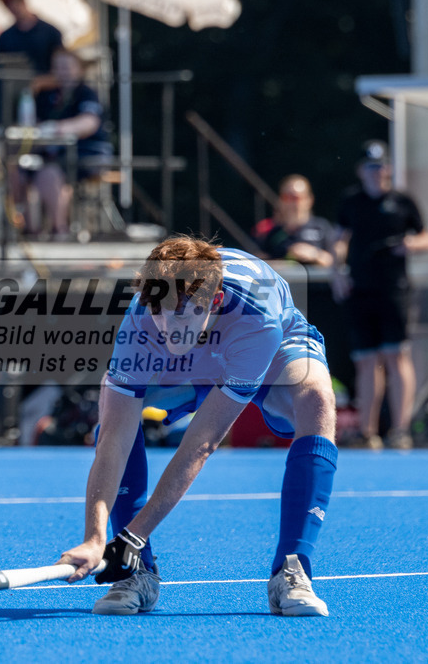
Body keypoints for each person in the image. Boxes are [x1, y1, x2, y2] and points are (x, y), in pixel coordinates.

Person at [58, 236, 338, 618]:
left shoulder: (257, 319)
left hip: (267, 348)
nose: (169, 326)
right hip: (192, 363)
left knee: (316, 399)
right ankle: (136, 573)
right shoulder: (143, 317)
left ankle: (293, 567)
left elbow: (201, 444)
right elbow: (114, 438)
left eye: (183, 313)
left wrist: (132, 536)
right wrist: (95, 537)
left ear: (215, 301)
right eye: (160, 312)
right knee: (114, 409)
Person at [332, 140, 428, 450]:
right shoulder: (351, 202)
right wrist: (338, 272)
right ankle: (368, 431)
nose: (377, 173)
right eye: (370, 167)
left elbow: (426, 237)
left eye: (381, 167)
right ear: (361, 171)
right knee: (366, 360)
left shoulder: (403, 202)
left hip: (394, 290)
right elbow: (339, 239)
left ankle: (400, 429)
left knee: (395, 355)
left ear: (388, 169)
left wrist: (411, 245)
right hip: (361, 290)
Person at [8, 47, 111, 237]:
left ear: (79, 69)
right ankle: (30, 229)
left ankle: (59, 229)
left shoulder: (87, 93)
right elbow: (33, 122)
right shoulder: (47, 95)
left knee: (48, 173)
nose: (62, 72)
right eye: (58, 67)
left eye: (67, 67)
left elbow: (89, 122)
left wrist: (56, 127)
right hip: (50, 152)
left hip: (85, 154)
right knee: (17, 170)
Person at [253, 174, 334, 267]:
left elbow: (336, 261)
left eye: (296, 198)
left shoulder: (321, 227)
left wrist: (314, 254)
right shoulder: (273, 232)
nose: (292, 203)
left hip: (315, 281)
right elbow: (260, 261)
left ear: (309, 199)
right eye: (287, 197)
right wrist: (284, 261)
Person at [0, 0, 64, 75]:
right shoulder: (5, 37)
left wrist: (42, 83)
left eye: (14, 2)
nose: (12, 8)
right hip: (15, 88)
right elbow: (0, 69)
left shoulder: (51, 33)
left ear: (23, 0)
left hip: (46, 89)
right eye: (7, 4)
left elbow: (62, 72)